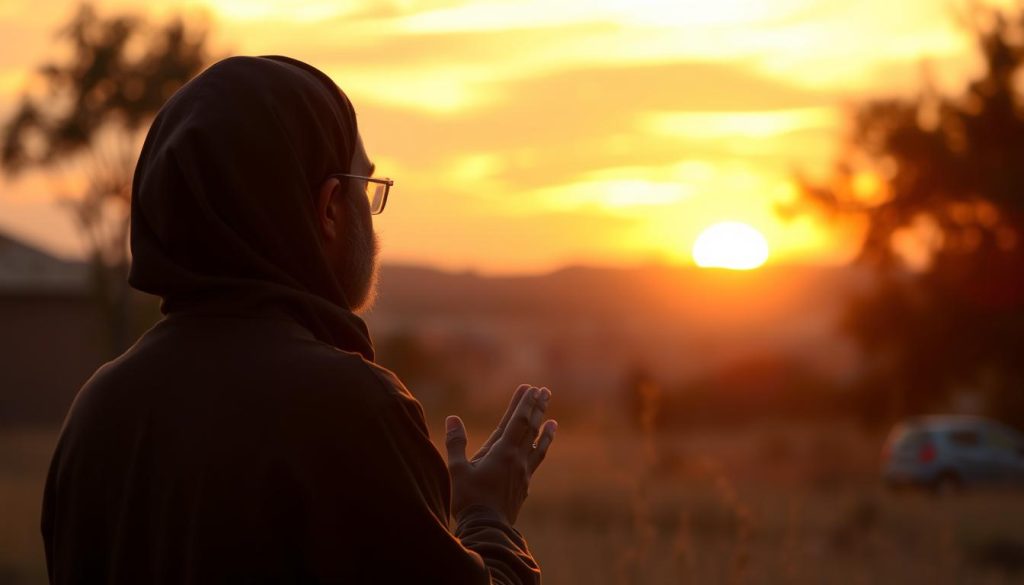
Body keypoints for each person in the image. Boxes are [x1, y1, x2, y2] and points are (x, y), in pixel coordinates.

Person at [41, 55, 557, 584]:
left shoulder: (95, 414)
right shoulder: (351, 410)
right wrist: (487, 519)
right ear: (330, 207)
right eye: (366, 185)